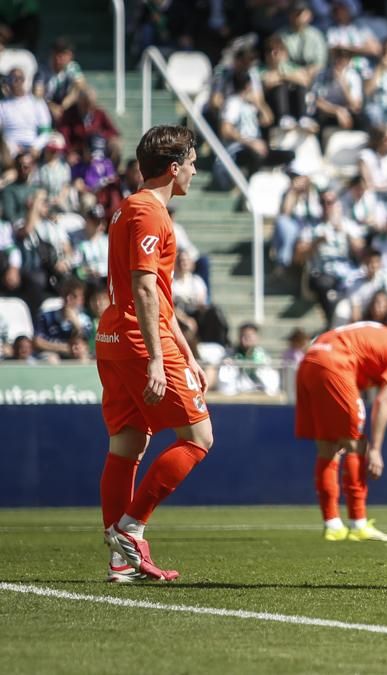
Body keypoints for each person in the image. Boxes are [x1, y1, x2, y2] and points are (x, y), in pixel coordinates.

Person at [96, 125, 212, 583]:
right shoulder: (150, 212)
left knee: (128, 443)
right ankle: (131, 529)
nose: (195, 172)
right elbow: (145, 289)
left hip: (114, 337)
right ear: (174, 166)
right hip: (139, 339)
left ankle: (121, 560)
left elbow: (159, 295)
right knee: (198, 438)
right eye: (193, 163)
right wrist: (158, 359)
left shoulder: (128, 208)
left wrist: (186, 351)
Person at [295, 322, 387, 543]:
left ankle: (333, 525)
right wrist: (375, 449)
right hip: (335, 362)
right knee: (356, 444)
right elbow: (384, 400)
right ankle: (358, 523)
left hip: (309, 362)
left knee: (328, 448)